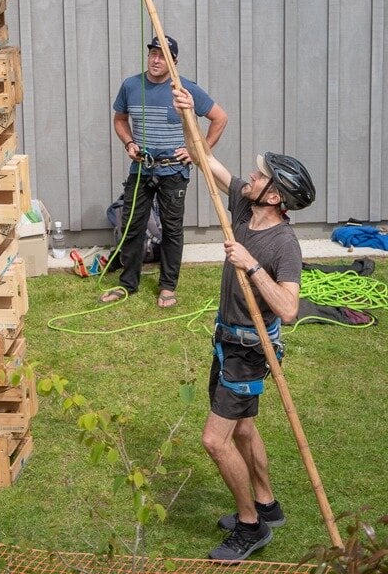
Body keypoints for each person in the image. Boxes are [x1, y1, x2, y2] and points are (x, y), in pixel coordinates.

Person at [173, 85, 316, 562]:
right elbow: (201, 158)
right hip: (225, 340)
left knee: (214, 440)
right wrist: (188, 113)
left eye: (260, 176)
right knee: (244, 431)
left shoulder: (282, 245)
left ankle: (251, 526)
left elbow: (290, 309)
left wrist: (251, 266)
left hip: (250, 352)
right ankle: (268, 505)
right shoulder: (242, 205)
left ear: (275, 195)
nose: (250, 176)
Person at [100, 35, 227, 307]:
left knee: (172, 229)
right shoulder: (131, 86)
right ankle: (127, 283)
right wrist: (129, 142)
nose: (156, 60)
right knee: (132, 226)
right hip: (142, 168)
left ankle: (168, 286)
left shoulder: (184, 90)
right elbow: (120, 119)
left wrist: (199, 151)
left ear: (174, 62)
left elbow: (220, 117)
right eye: (153, 54)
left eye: (163, 56)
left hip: (174, 171)